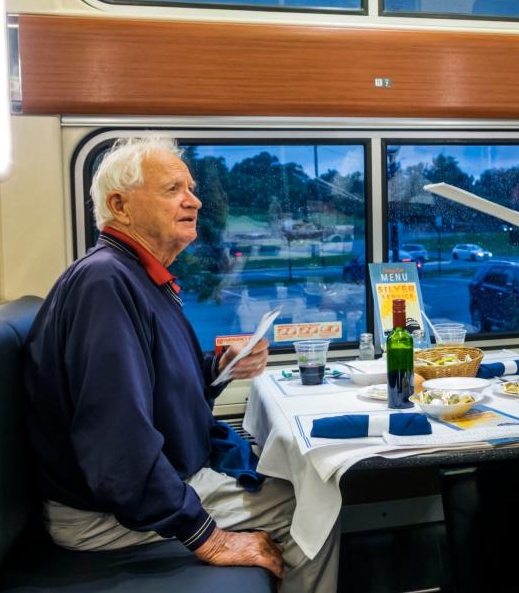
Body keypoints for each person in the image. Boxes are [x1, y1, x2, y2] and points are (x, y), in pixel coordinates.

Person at [23, 136, 338, 592]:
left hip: (144, 485)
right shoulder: (105, 284)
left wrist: (218, 367)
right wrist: (208, 538)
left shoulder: (140, 278)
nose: (195, 200)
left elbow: (150, 386)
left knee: (297, 486)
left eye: (191, 189)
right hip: (104, 514)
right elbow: (116, 444)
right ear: (121, 205)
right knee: (313, 508)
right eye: (173, 189)